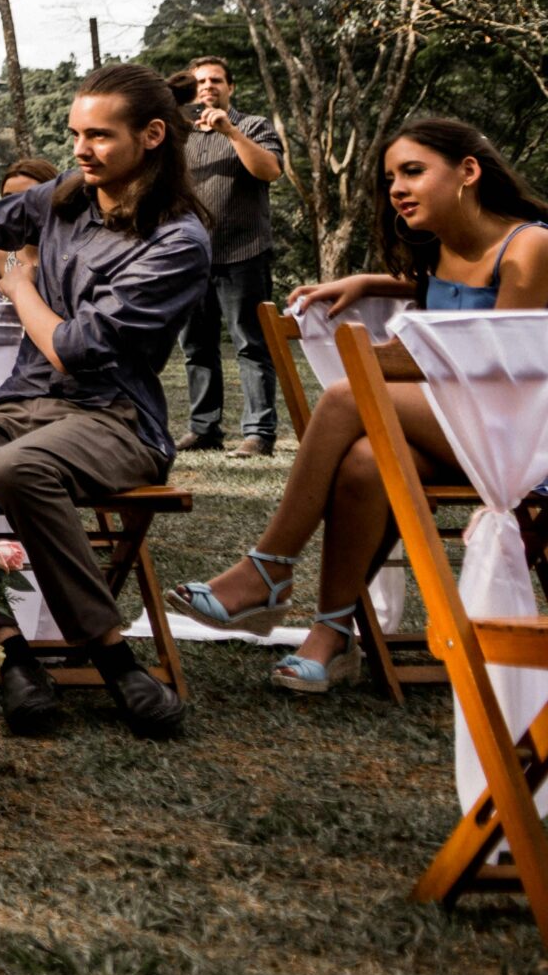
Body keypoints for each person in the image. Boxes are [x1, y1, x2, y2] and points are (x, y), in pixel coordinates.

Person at [0, 64, 212, 740]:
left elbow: (76, 348)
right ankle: (6, 646)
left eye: (99, 135)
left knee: (20, 467)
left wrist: (18, 287)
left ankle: (115, 660)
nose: (81, 149)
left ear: (153, 135)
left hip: (115, 417)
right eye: (75, 133)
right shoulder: (65, 196)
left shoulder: (178, 241)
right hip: (24, 406)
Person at [169, 119, 547, 692]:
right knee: (365, 463)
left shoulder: (530, 247)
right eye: (391, 177)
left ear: (468, 171)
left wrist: (381, 355)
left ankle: (267, 567)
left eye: (413, 171)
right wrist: (372, 282)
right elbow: (452, 300)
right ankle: (332, 635)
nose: (396, 188)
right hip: (462, 430)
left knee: (348, 395)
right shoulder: (442, 246)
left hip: (519, 437)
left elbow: (495, 366)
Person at [174, 57, 287, 457]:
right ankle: (204, 428)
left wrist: (230, 131)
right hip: (191, 258)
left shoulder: (253, 126)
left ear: (230, 87)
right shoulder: (179, 135)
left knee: (251, 344)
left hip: (243, 253)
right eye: (200, 81)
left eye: (216, 80)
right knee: (196, 347)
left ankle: (258, 432)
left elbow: (270, 170)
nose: (207, 86)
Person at [0, 158, 60, 287]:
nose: (15, 207)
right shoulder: (4, 255)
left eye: (26, 198)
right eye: (8, 199)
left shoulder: (70, 252)